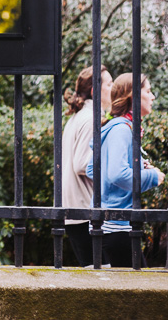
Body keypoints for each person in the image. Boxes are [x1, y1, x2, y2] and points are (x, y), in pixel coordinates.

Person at [86, 72, 165, 267]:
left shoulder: (117, 127)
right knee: (139, 293)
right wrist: (152, 176)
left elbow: (92, 170)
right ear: (134, 96)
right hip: (116, 227)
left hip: (111, 225)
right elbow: (116, 174)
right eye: (148, 91)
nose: (153, 96)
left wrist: (135, 168)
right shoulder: (122, 129)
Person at [61, 64, 112, 267]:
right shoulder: (91, 118)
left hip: (76, 209)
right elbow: (82, 164)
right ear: (95, 90)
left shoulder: (77, 117)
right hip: (85, 212)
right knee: (103, 278)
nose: (114, 88)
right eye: (109, 83)